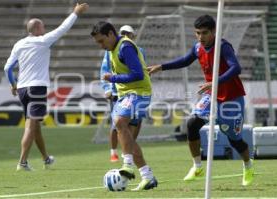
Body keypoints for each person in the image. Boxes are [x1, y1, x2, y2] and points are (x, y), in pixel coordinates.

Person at [148, 15, 254, 186]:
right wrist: (161, 67)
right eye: (197, 33)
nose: (200, 37)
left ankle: (248, 165)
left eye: (204, 33)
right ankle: (197, 166)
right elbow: (185, 60)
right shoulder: (198, 48)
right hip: (211, 95)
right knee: (192, 124)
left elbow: (236, 68)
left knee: (234, 139)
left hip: (231, 99)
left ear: (213, 31)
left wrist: (215, 82)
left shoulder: (223, 46)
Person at [3, 3, 89, 171]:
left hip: (22, 89)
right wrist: (75, 13)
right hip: (37, 88)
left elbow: (7, 68)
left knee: (35, 126)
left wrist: (13, 84)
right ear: (36, 29)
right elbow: (63, 29)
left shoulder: (19, 44)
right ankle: (22, 162)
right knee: (30, 126)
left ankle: (46, 159)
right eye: (42, 26)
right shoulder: (42, 41)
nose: (44, 29)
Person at [91, 21, 158, 191]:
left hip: (139, 92)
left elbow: (137, 74)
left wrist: (112, 79)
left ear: (111, 35)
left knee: (120, 123)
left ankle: (127, 165)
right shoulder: (112, 50)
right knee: (126, 136)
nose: (101, 45)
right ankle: (147, 176)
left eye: (101, 41)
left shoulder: (125, 47)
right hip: (125, 95)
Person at [100, 25, 146, 163]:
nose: (126, 35)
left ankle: (129, 149)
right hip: (119, 92)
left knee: (137, 122)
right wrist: (108, 88)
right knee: (117, 123)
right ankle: (113, 152)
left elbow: (140, 71)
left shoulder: (139, 50)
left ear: (133, 35)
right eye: (123, 33)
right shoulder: (109, 52)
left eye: (128, 33)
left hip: (137, 92)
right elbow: (105, 71)